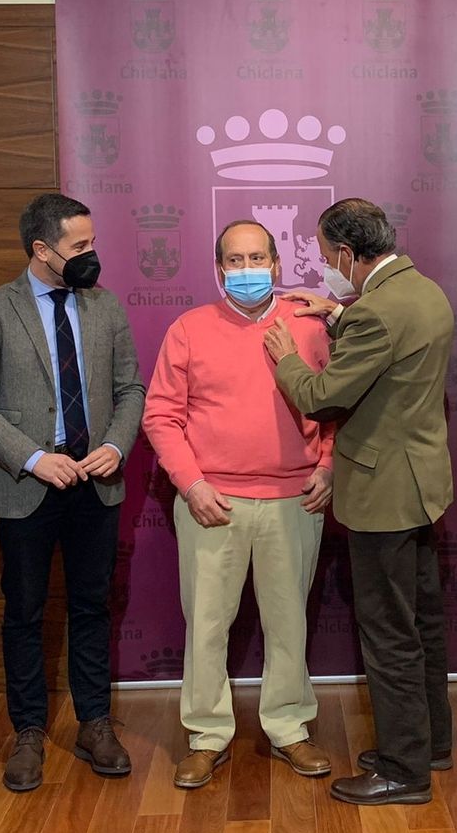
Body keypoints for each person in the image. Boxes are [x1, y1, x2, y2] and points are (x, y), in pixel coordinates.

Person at [263, 198, 454, 806]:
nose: (326, 268)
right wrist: (340, 312)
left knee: (389, 633)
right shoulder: (423, 291)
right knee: (421, 621)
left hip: (383, 492)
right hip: (421, 485)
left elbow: (322, 396)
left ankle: (403, 769)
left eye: (326, 258)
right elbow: (387, 341)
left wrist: (287, 360)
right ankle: (431, 743)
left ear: (348, 253)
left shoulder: (374, 312)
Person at [0, 192, 145, 790]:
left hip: (95, 484)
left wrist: (114, 446)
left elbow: (131, 389)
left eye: (93, 242)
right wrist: (35, 459)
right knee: (25, 613)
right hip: (26, 488)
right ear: (42, 250)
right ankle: (29, 731)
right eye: (79, 246)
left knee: (91, 607)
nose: (93, 255)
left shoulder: (105, 307)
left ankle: (94, 724)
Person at [142, 221, 335, 789]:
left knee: (288, 623)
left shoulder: (308, 325)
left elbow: (339, 406)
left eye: (257, 257)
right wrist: (191, 483)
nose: (246, 268)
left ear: (277, 265)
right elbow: (160, 415)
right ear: (218, 269)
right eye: (234, 259)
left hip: (294, 500)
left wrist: (327, 466)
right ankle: (206, 737)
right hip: (212, 502)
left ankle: (290, 729)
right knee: (206, 625)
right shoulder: (189, 329)